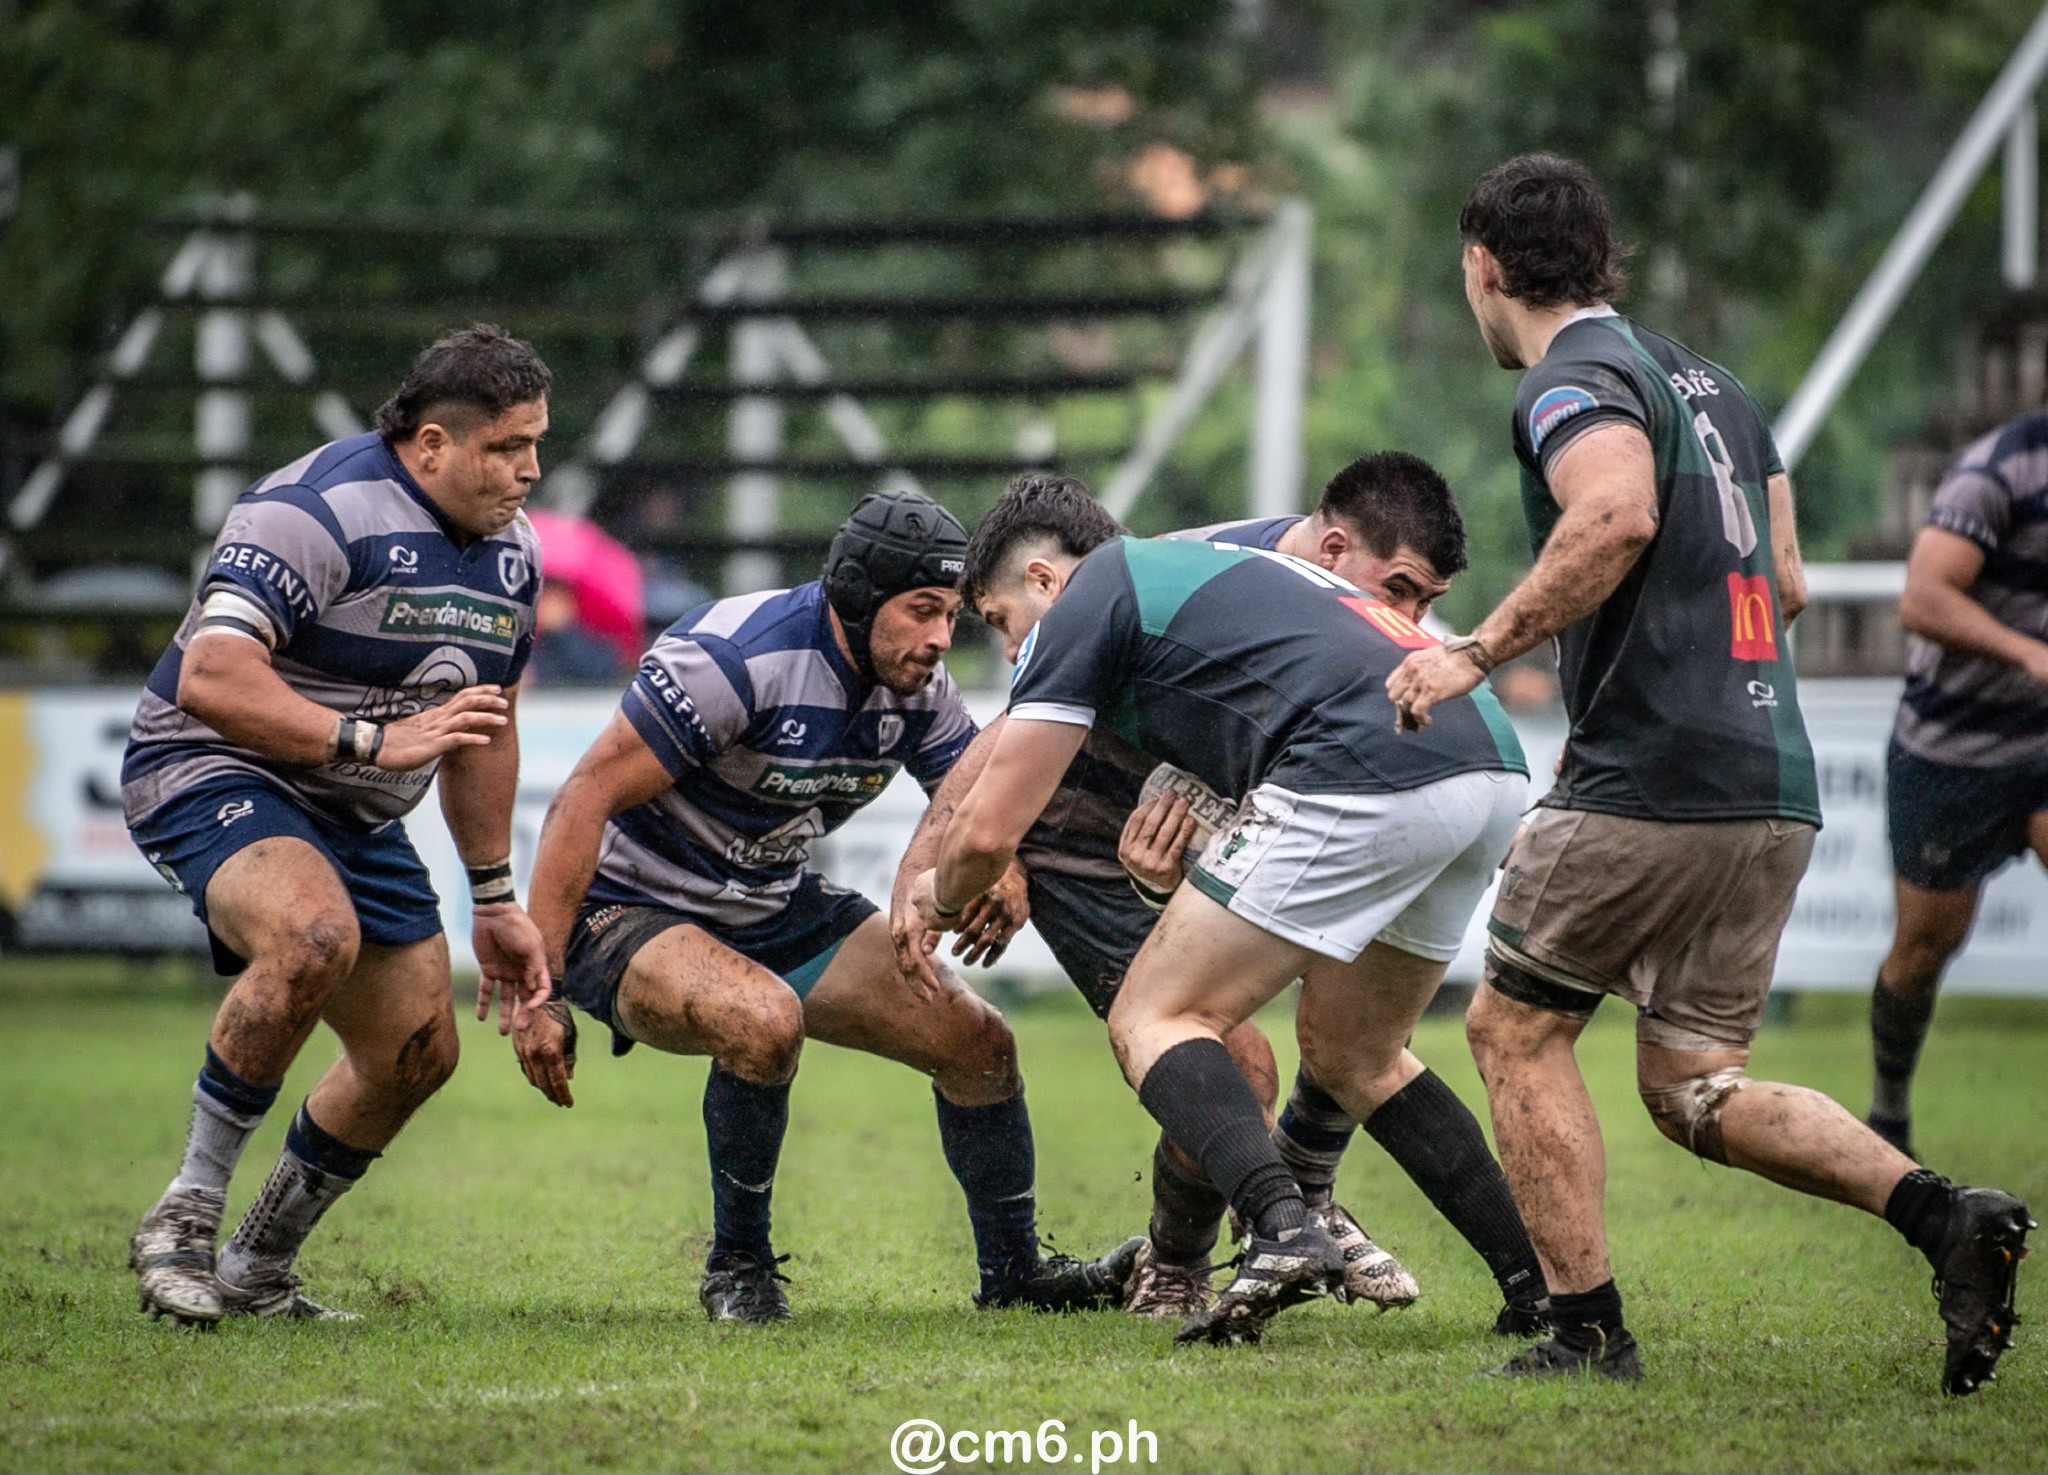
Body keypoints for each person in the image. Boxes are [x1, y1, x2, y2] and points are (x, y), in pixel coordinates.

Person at [1386, 152, 2032, 1394]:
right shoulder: (1718, 386)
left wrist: (1470, 653)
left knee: (1512, 1027)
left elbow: (1615, 513)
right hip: (1768, 775)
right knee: (1690, 1085)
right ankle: (1945, 1217)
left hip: (1654, 776)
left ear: (1482, 264)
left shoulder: (1570, 378)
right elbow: (1782, 585)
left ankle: (1584, 1328)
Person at [892, 464, 1547, 1335]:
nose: (1016, 652)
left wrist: (932, 894)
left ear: (1046, 579)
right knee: (1361, 1055)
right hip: (1486, 756)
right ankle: (1539, 1290)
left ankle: (1284, 1227)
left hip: (1368, 762)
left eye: (1009, 624)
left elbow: (983, 832)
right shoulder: (1231, 567)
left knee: (1155, 1016)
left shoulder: (1096, 594)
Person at [507, 490, 1139, 1322]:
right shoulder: (736, 658)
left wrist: (1005, 869)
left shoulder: (917, 685)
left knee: (979, 1042)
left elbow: (972, 792)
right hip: (627, 906)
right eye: (921, 613)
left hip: (772, 900)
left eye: (951, 615)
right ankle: (738, 1267)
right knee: (764, 1019)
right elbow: (580, 801)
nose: (941, 639)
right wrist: (540, 991)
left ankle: (1015, 1274)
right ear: (856, 596)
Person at [122, 324, 556, 1325]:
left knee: (418, 1049)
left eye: (536, 444)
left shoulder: (513, 555)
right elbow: (212, 674)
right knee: (314, 934)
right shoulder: (311, 509)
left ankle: (254, 1262)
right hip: (212, 762)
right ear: (433, 444)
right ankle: (183, 1218)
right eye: (506, 447)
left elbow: (485, 728)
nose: (529, 470)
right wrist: (368, 740)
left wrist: (494, 897)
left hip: (350, 803)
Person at [1869, 407, 2048, 1158]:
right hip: (1953, 747)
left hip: (2041, 740)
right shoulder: (2000, 470)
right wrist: (2028, 653)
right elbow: (1923, 598)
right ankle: (1889, 1110)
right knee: (1924, 948)